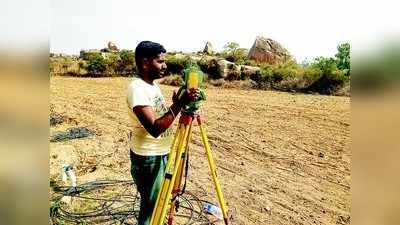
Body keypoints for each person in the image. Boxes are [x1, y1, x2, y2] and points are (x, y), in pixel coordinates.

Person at [126, 41, 196, 225]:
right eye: (160, 61)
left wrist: (176, 102)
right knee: (150, 209)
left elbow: (160, 114)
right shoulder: (137, 88)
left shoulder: (151, 85)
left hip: (160, 153)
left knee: (158, 204)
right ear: (145, 62)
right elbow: (155, 128)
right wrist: (179, 104)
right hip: (149, 157)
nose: (165, 65)